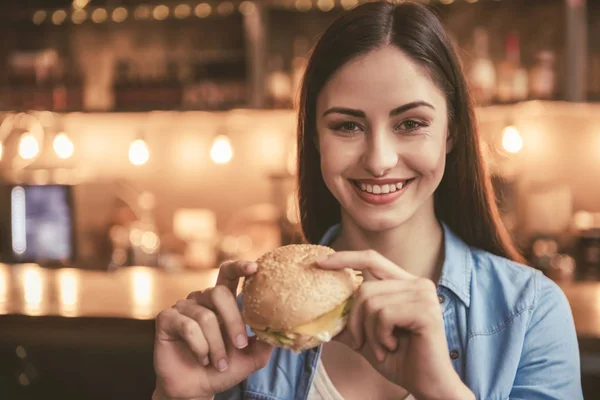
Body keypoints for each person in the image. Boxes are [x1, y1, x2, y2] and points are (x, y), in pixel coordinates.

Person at [152, 1, 583, 399]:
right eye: (347, 126)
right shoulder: (251, 321)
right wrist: (181, 397)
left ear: (450, 132)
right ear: (315, 139)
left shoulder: (530, 312)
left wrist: (440, 390)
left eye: (411, 123)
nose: (379, 160)